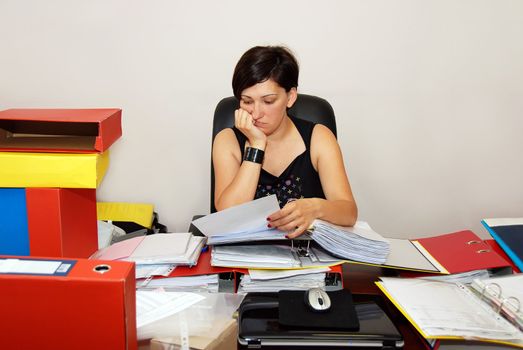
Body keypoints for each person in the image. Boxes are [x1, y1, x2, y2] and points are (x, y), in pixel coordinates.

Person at [212, 45, 357, 238]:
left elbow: (349, 213)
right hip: (245, 259)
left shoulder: (318, 137)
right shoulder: (227, 141)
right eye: (247, 101)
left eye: (269, 101)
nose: (256, 113)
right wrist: (256, 146)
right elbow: (226, 217)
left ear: (290, 97)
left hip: (306, 258)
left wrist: (316, 208)